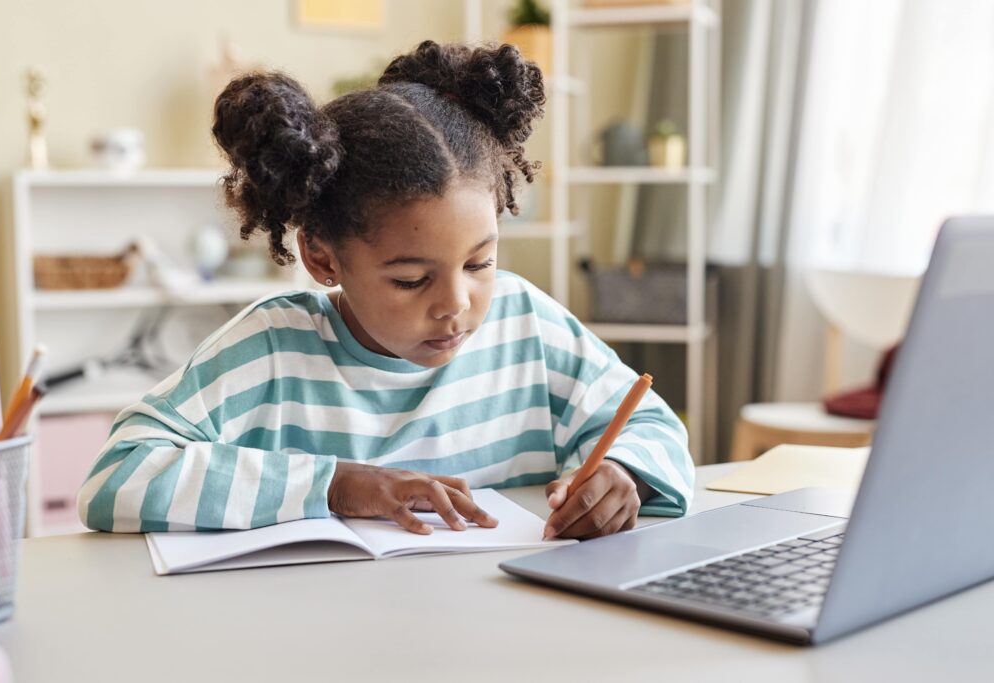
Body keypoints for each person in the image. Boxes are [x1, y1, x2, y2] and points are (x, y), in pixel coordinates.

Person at [77, 41, 694, 539]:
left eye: (480, 263)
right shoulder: (271, 351)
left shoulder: (526, 324)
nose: (456, 304)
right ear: (322, 257)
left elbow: (652, 426)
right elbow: (117, 476)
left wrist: (624, 474)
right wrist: (339, 485)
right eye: (410, 279)